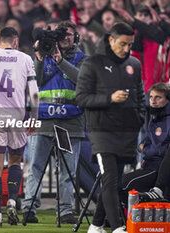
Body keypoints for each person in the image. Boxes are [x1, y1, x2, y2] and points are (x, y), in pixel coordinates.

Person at [76, 22, 145, 233]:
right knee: (110, 177)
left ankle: (96, 225)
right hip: (102, 131)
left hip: (126, 131)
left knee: (114, 182)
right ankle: (118, 227)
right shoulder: (92, 63)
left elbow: (140, 95)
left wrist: (139, 117)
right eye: (123, 44)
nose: (127, 49)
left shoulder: (134, 63)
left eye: (130, 45)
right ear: (111, 40)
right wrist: (109, 98)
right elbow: (81, 98)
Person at [22, 20, 86, 224]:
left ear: (75, 37)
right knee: (35, 167)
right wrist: (40, 57)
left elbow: (82, 80)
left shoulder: (82, 59)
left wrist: (60, 61)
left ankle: (65, 211)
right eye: (61, 35)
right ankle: (29, 208)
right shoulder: (43, 56)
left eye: (69, 34)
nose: (65, 38)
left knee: (68, 170)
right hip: (43, 120)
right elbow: (36, 81)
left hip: (70, 122)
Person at [0, 27, 39, 227]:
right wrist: (34, 117)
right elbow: (34, 93)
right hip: (19, 117)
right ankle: (12, 199)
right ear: (16, 41)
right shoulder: (26, 59)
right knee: (15, 162)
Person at [120, 83, 170, 203]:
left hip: (157, 168)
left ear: (167, 100)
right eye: (151, 97)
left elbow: (161, 149)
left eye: (158, 97)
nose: (153, 101)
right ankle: (118, 219)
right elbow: (146, 141)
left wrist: (147, 148)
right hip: (148, 164)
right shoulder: (154, 118)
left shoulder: (167, 119)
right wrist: (142, 146)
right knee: (115, 185)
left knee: (122, 185)